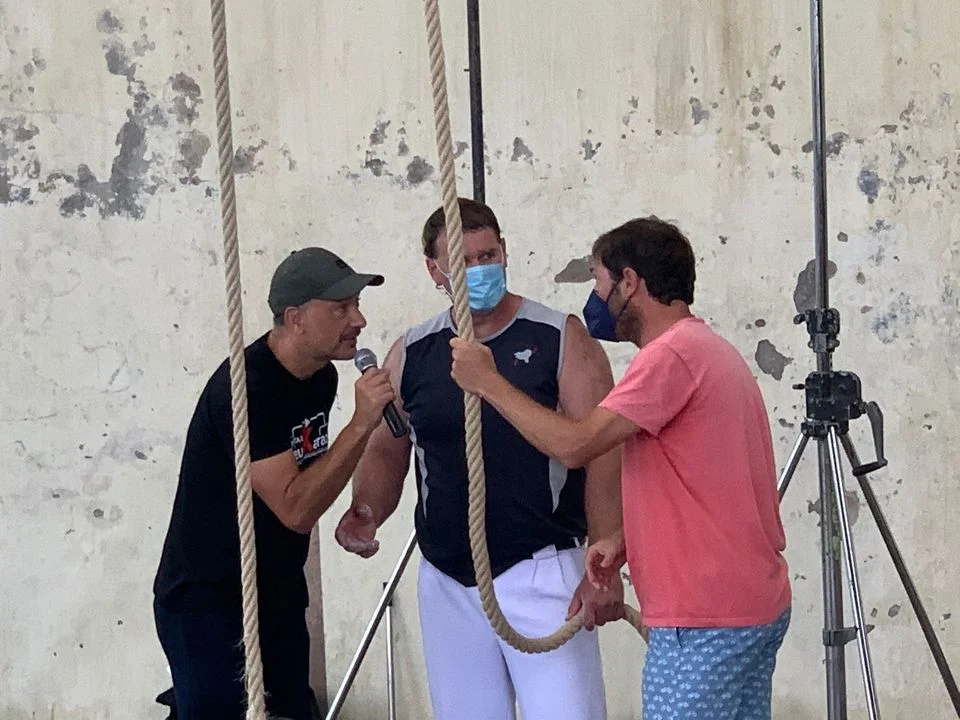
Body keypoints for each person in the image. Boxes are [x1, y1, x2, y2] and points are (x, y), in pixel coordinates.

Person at [448, 216, 792, 719]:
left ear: (628, 282)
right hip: (749, 606)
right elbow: (708, 487)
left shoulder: (670, 357)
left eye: (598, 280)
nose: (595, 297)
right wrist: (626, 542)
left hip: (703, 619)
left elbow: (575, 446)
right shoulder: (709, 352)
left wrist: (488, 382)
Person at [334, 198, 624, 720]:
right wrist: (368, 509)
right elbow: (388, 448)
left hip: (542, 570)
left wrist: (603, 563)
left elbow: (604, 454)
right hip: (448, 578)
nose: (480, 269)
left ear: (505, 252)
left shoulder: (558, 338)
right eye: (464, 262)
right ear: (435, 271)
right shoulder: (413, 351)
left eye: (488, 256)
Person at [152, 247, 394, 720]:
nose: (359, 320)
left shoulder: (320, 378)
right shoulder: (247, 389)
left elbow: (310, 480)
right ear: (296, 318)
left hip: (277, 590)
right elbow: (295, 508)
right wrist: (361, 424)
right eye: (341, 308)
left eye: (357, 305)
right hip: (209, 597)